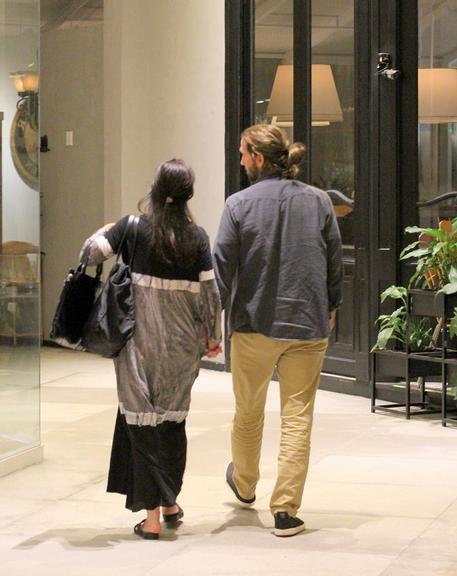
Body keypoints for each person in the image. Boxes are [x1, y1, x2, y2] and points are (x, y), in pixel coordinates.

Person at [81, 159, 222, 540]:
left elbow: (90, 254)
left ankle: (153, 518)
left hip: (138, 346)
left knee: (141, 422)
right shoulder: (198, 237)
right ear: (188, 194)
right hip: (181, 349)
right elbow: (211, 293)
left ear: (155, 190)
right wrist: (213, 335)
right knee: (172, 424)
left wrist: (108, 229)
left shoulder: (133, 227)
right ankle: (171, 501)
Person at [213, 124, 342, 537]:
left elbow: (221, 268)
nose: (239, 160)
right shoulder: (319, 201)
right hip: (307, 322)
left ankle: (246, 485)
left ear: (258, 158)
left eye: (242, 153)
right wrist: (331, 306)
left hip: (253, 325)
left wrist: (209, 320)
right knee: (297, 418)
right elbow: (333, 260)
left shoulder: (238, 204)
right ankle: (286, 510)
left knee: (248, 412)